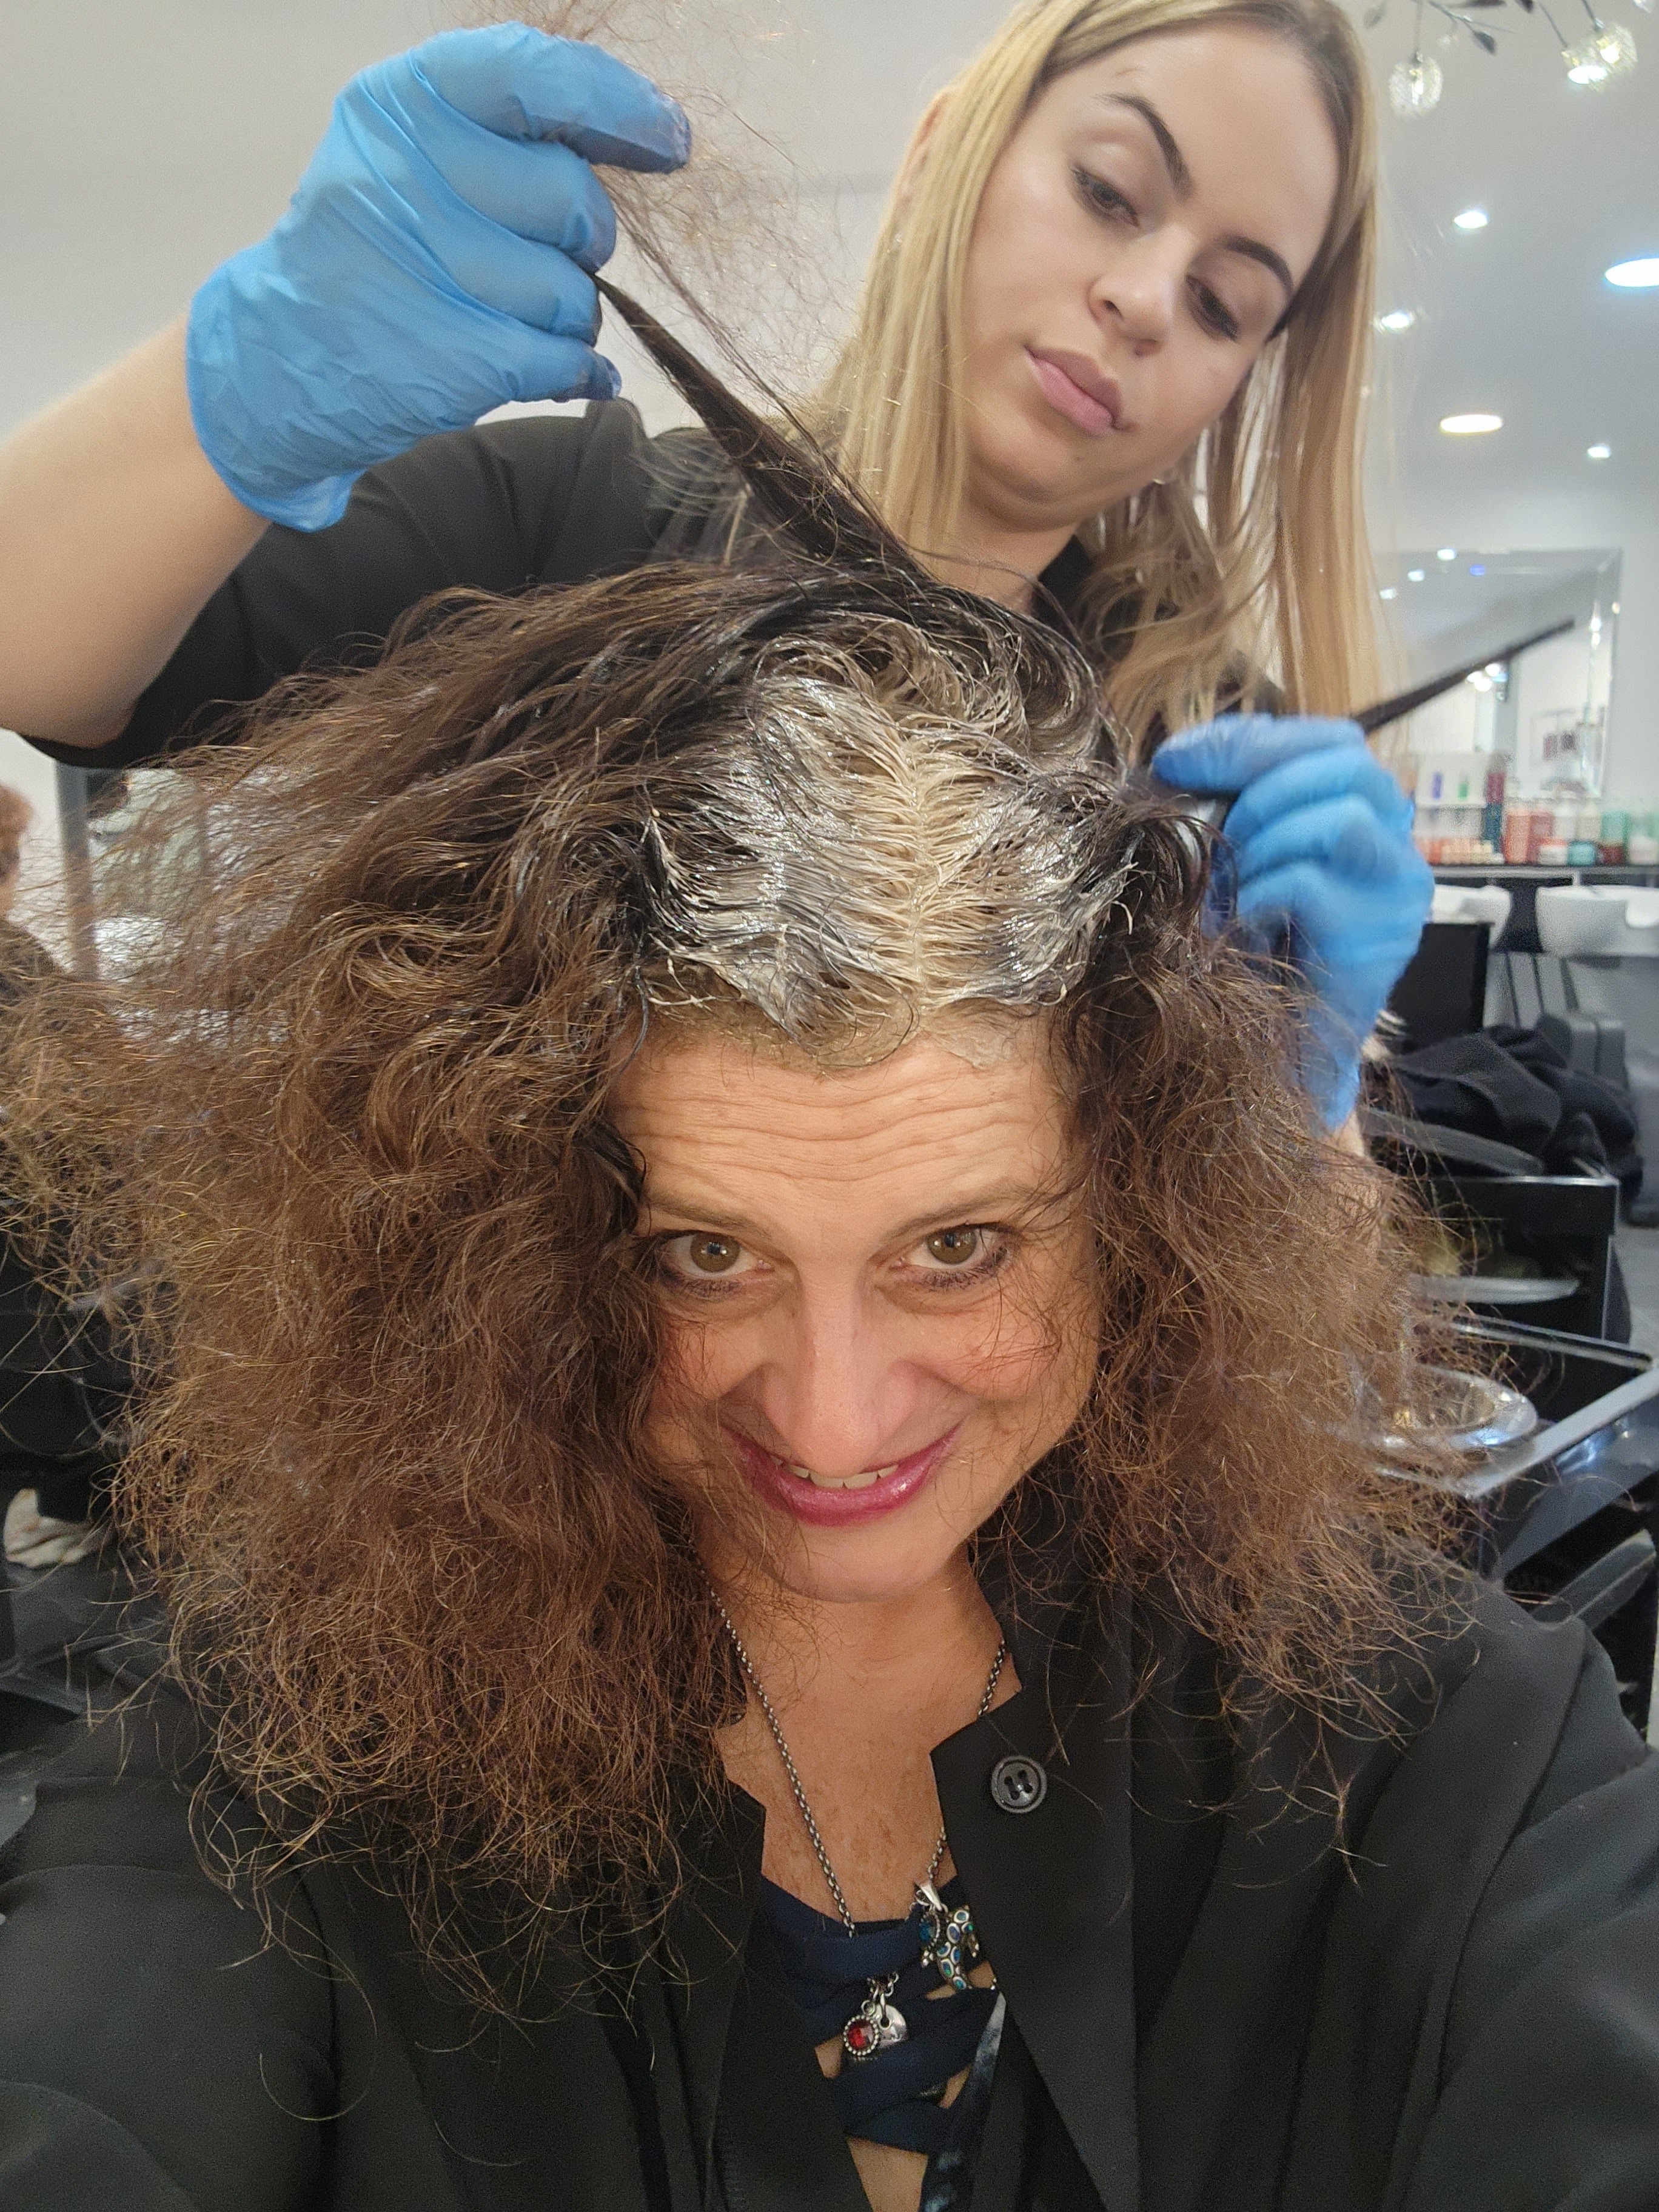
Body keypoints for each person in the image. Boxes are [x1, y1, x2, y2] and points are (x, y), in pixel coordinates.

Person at [0, 349, 1653, 2212]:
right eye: (703, 1253)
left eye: (959, 1248)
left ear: (1145, 1208)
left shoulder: (1435, 1749)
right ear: (517, 1232)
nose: (837, 1418)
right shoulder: (294, 1759)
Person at [0, 0, 1430, 1132]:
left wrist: (1306, 1097)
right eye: (1110, 192)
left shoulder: (1209, 749)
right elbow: (37, 657)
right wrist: (240, 375)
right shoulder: (572, 528)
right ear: (946, 153)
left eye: (1223, 302)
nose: (1142, 299)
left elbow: (1293, 1344)